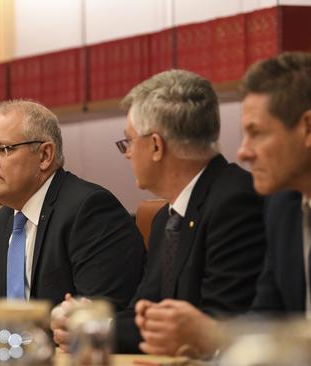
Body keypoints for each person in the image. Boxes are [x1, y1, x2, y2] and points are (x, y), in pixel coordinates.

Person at [50, 70, 267, 353]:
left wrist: (96, 330)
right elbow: (146, 312)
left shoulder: (234, 202)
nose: (127, 153)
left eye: (128, 141)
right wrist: (89, 323)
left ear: (155, 145)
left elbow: (218, 323)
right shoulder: (167, 217)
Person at [135, 52, 311, 357]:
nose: (243, 152)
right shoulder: (283, 207)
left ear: (307, 128)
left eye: (256, 133)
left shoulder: (242, 200)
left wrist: (216, 335)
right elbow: (266, 319)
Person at [0, 100, 145, 331]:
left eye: (3, 149)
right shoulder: (1, 223)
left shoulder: (89, 210)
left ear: (45, 155)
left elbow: (100, 315)